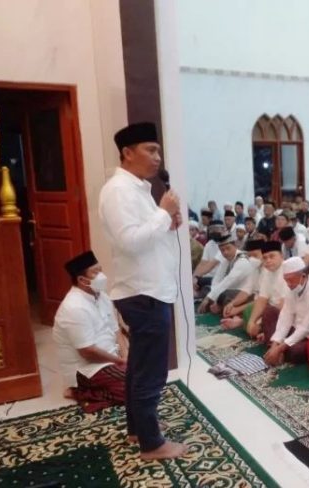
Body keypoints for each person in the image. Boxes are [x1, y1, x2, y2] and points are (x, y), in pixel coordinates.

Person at [99, 122, 185, 459]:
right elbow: (131, 242)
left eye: (158, 150)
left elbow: (148, 236)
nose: (157, 157)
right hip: (143, 292)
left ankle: (137, 430)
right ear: (127, 152)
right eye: (150, 150)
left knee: (139, 365)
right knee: (151, 370)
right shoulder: (118, 191)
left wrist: (167, 222)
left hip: (149, 289)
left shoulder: (138, 189)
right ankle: (152, 444)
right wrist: (163, 213)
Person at [54, 251, 128, 413]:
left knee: (147, 372)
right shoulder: (74, 307)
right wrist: (120, 361)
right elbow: (88, 352)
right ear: (82, 280)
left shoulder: (102, 296)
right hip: (88, 368)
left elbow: (116, 330)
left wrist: (125, 356)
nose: (101, 275)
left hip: (111, 357)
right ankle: (81, 392)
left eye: (100, 270)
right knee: (134, 387)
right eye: (95, 272)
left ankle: (108, 385)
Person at [263, 257, 309, 365]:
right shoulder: (291, 288)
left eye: (290, 280)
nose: (288, 284)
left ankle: (278, 353)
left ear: (303, 276)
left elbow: (306, 328)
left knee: (296, 352)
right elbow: (286, 316)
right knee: (269, 312)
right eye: (286, 280)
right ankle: (274, 350)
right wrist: (275, 343)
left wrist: (280, 348)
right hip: (295, 329)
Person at [197, 234, 253, 315]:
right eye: (222, 250)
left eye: (228, 248)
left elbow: (227, 282)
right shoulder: (226, 258)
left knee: (222, 296)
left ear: (235, 246)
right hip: (229, 290)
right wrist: (211, 298)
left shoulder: (242, 260)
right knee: (207, 290)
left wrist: (209, 298)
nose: (225, 252)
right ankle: (215, 306)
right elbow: (217, 279)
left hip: (244, 293)